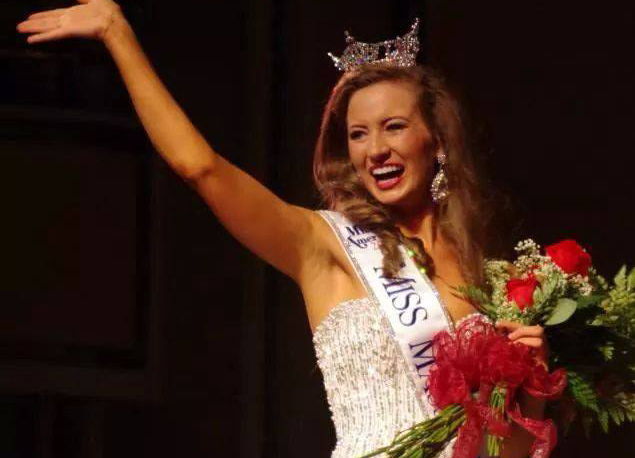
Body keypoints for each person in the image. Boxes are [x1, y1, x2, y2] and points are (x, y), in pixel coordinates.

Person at [17, 2, 549, 457]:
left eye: (394, 127)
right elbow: (199, 167)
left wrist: (533, 392)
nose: (375, 149)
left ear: (437, 141)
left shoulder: (489, 278)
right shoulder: (323, 244)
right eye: (358, 134)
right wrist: (117, 32)